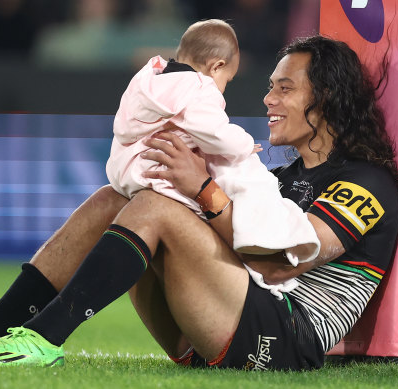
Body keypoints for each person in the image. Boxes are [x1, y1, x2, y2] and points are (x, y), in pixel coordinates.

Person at [0, 35, 398, 371]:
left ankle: (44, 337)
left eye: (285, 88)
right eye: (269, 87)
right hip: (220, 324)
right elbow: (236, 237)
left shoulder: (368, 182)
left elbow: (291, 260)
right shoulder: (284, 176)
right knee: (115, 198)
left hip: (283, 340)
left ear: (330, 98)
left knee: (157, 210)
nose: (268, 100)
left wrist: (203, 190)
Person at [107, 18, 320, 269]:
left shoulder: (148, 79)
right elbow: (216, 133)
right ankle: (266, 235)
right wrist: (244, 144)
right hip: (162, 178)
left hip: (126, 172)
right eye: (227, 80)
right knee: (244, 168)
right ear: (216, 67)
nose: (223, 89)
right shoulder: (199, 87)